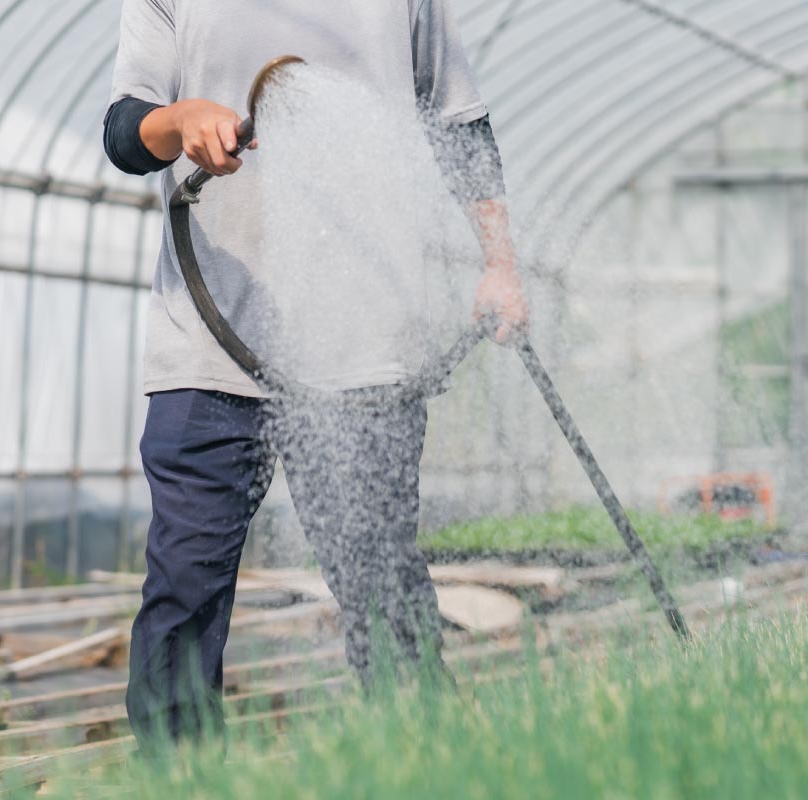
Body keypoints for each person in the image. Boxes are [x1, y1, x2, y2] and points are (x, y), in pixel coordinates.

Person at [101, 0, 528, 744]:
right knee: (183, 594)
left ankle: (425, 767)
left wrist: (500, 266)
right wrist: (181, 121)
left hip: (362, 345)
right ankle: (178, 779)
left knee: (382, 585)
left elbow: (461, 123)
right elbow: (125, 131)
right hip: (209, 341)